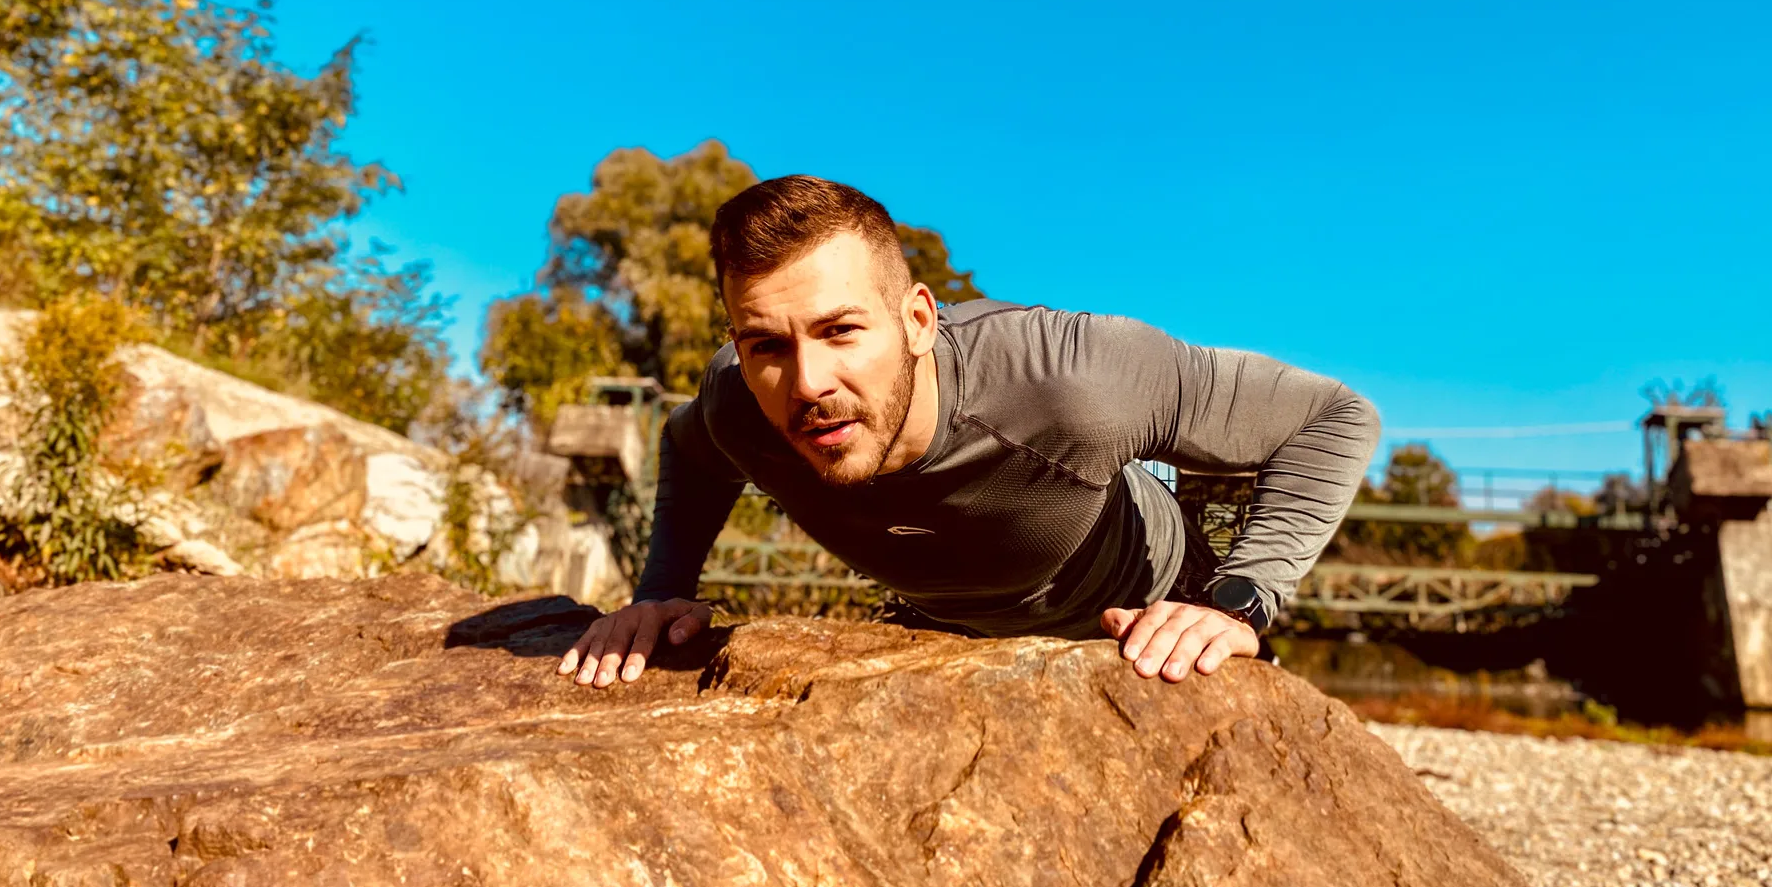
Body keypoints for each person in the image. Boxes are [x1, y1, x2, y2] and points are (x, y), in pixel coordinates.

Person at [558, 176, 1378, 689]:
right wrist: (660, 593)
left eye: (842, 330)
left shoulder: (1072, 380)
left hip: (1148, 609)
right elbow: (688, 449)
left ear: (918, 319)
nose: (807, 384)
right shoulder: (741, 403)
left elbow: (1334, 416)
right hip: (947, 631)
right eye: (765, 344)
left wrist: (1235, 605)